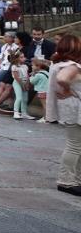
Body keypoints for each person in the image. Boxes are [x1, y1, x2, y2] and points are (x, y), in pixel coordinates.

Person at [47, 34, 81, 195]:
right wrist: (68, 90)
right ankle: (66, 181)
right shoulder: (72, 65)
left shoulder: (58, 64)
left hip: (69, 108)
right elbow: (62, 79)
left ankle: (74, 178)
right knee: (74, 146)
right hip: (76, 108)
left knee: (76, 145)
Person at [9, 50, 31, 120]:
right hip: (17, 83)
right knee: (19, 98)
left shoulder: (25, 66)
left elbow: (27, 76)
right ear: (17, 58)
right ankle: (16, 112)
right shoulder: (14, 67)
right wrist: (22, 85)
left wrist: (27, 84)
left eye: (23, 57)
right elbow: (17, 77)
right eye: (21, 57)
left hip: (24, 83)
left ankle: (24, 113)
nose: (24, 58)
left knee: (25, 99)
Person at [31, 58, 52, 123]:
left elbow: (32, 81)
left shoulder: (38, 75)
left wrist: (32, 75)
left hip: (42, 91)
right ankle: (48, 117)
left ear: (38, 67)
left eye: (33, 65)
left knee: (44, 105)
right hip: (47, 91)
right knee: (47, 105)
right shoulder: (47, 73)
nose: (32, 66)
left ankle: (45, 118)